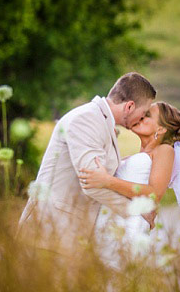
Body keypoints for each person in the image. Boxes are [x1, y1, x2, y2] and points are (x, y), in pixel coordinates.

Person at [16, 72, 156, 257]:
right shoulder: (87, 119)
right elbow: (92, 184)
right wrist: (136, 212)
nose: (142, 118)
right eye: (143, 112)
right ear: (130, 106)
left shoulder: (99, 120)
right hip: (48, 234)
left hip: (66, 236)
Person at [79, 101, 180, 268]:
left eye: (147, 116)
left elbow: (154, 194)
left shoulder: (164, 150)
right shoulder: (138, 155)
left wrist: (108, 181)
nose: (140, 117)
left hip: (130, 226)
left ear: (161, 129)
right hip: (111, 219)